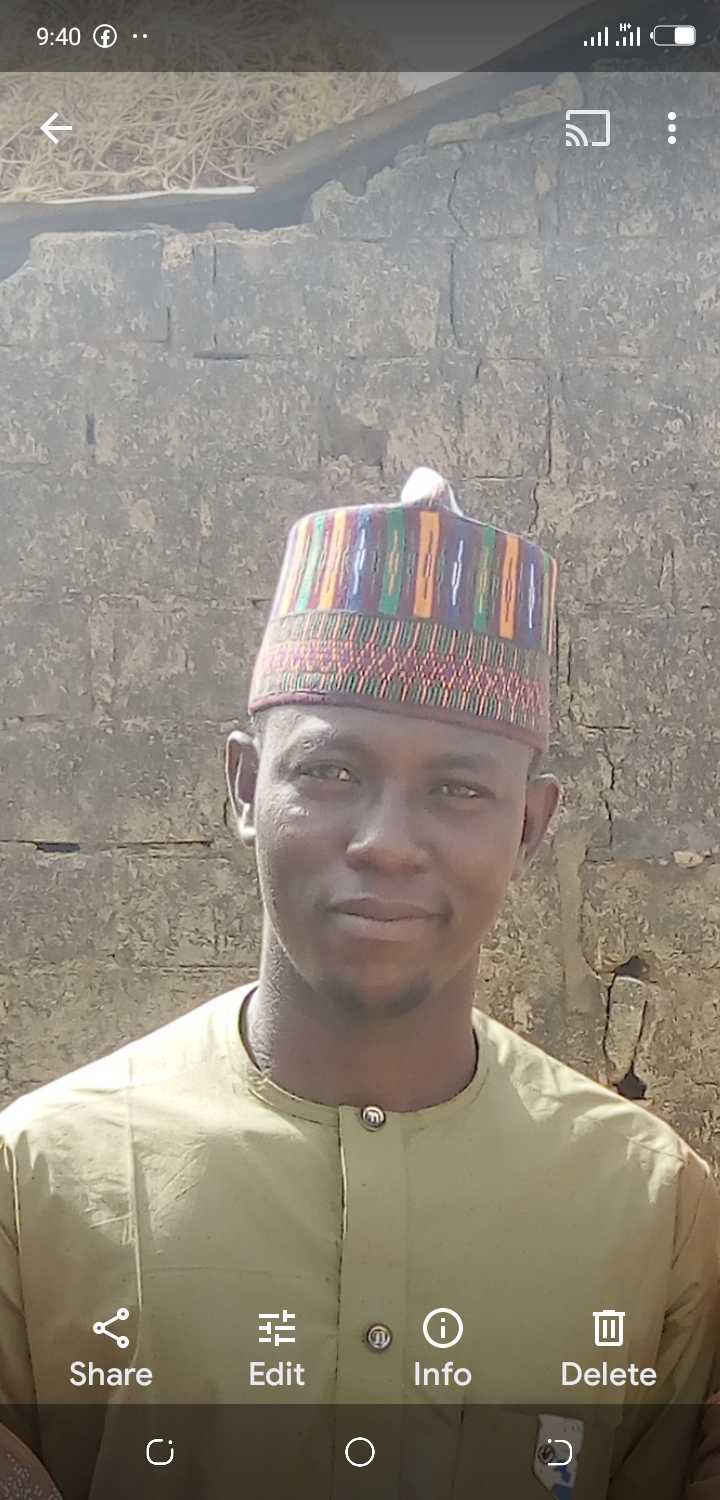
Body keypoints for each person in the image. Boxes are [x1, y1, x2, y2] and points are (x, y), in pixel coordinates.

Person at [0, 466, 719, 1500]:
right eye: (331, 772)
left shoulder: (653, 1210)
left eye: (459, 788)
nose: (386, 841)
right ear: (245, 787)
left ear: (530, 825)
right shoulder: (38, 1183)